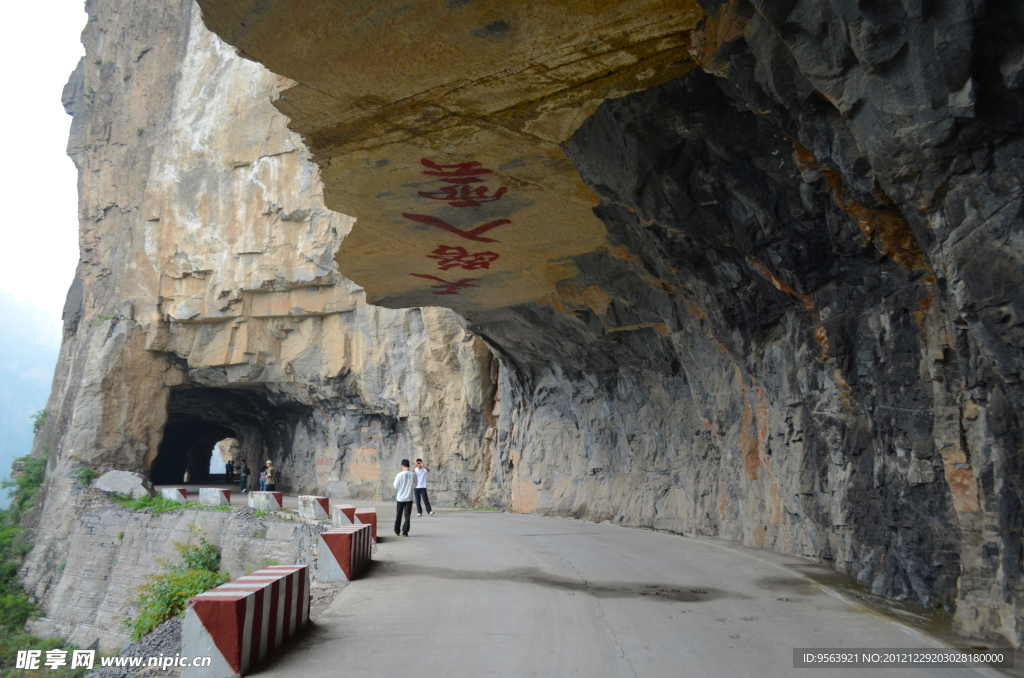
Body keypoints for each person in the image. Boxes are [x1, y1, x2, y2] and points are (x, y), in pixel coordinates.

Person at [393, 459, 415, 537]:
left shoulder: (399, 475)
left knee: (399, 515)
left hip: (400, 498)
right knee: (407, 516)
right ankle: (405, 532)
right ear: (409, 465)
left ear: (402, 466)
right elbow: (415, 485)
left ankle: (397, 531)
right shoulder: (413, 474)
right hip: (409, 498)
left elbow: (395, 486)